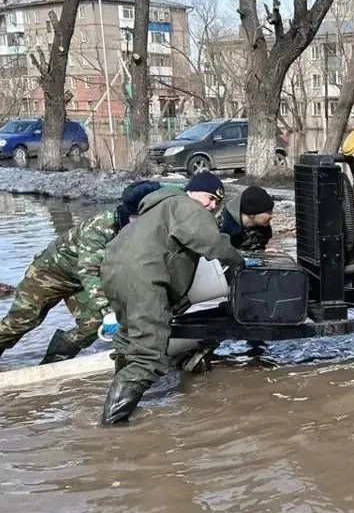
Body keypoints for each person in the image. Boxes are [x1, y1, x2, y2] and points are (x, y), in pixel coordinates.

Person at [98, 171, 253, 425]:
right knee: (149, 356)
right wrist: (239, 262)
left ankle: (122, 405)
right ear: (192, 191)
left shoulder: (157, 208)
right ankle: (112, 426)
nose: (212, 205)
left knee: (128, 341)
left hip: (114, 273)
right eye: (210, 198)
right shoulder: (185, 206)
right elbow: (212, 242)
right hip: (144, 279)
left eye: (217, 202)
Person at [0, 179, 164, 373]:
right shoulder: (99, 229)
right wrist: (108, 310)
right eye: (138, 217)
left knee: (93, 324)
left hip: (79, 280)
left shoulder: (148, 226)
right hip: (49, 274)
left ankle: (51, 369)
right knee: (20, 321)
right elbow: (89, 271)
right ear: (128, 213)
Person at [217, 185, 276, 251]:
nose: (272, 215)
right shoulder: (224, 227)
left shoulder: (263, 228)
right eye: (268, 212)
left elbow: (259, 247)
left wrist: (265, 252)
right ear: (252, 214)